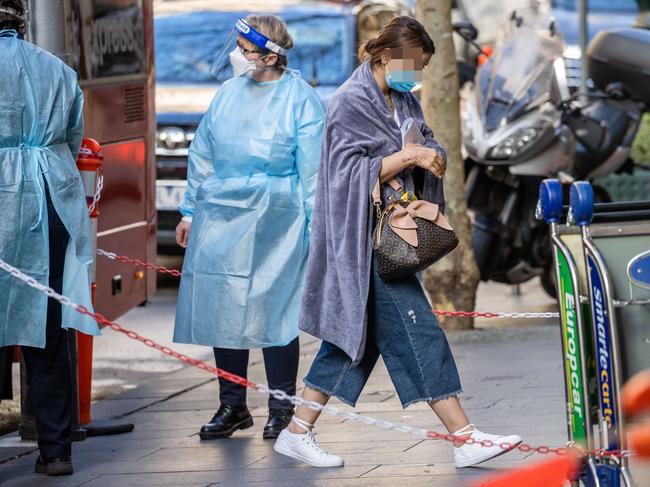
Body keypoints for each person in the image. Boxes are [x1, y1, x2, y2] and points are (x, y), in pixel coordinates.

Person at [273, 16, 522, 468]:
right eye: (415, 64)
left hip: (395, 230)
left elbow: (425, 141)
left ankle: (297, 430)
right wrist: (407, 156)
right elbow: (341, 174)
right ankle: (464, 437)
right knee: (419, 329)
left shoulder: (404, 99)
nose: (418, 75)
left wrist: (433, 156)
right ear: (387, 55)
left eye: (424, 67)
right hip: (366, 239)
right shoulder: (349, 102)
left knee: (356, 340)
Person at [173, 15, 324, 441]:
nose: (237, 56)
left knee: (276, 312)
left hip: (279, 220)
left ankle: (282, 408)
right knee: (225, 308)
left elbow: (313, 173)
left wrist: (317, 232)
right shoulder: (226, 94)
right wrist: (188, 212)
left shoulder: (301, 100)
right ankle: (232, 405)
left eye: (245, 49)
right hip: (222, 218)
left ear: (270, 54)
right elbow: (203, 154)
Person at [0, 0, 99, 476]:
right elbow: (73, 133)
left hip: (3, 203)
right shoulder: (56, 69)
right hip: (51, 199)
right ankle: (56, 450)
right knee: (47, 327)